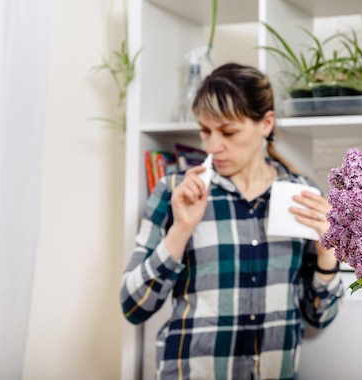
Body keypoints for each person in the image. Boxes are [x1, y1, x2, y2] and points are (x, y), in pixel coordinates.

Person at [120, 63, 344, 380]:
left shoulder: (302, 196)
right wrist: (181, 230)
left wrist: (327, 253)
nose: (212, 146)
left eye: (228, 132)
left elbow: (320, 317)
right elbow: (133, 306)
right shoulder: (175, 192)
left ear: (266, 123)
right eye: (205, 131)